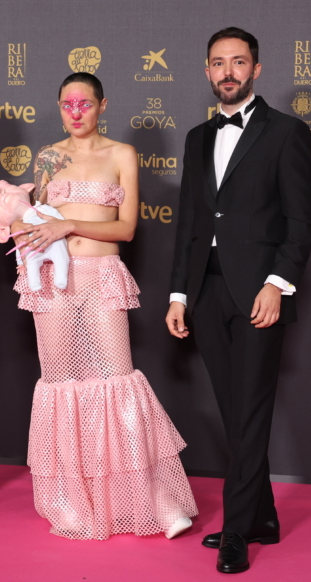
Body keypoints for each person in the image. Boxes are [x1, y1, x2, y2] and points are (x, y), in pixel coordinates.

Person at [12, 72, 197, 541]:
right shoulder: (47, 158)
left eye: (85, 104)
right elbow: (37, 221)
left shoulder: (121, 155)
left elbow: (127, 228)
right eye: (67, 104)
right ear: (58, 107)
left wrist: (67, 224)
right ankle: (72, 504)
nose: (76, 112)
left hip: (101, 278)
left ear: (102, 105)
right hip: (54, 282)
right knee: (62, 385)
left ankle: (155, 501)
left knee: (117, 381)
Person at [166, 27, 311, 573]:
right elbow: (189, 223)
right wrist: (179, 293)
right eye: (217, 63)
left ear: (256, 69)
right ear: (206, 71)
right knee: (236, 412)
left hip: (259, 293)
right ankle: (264, 517)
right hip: (206, 292)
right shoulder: (195, 138)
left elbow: (302, 224)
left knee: (251, 410)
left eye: (238, 62)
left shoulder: (287, 133)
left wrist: (278, 285)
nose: (227, 72)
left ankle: (236, 532)